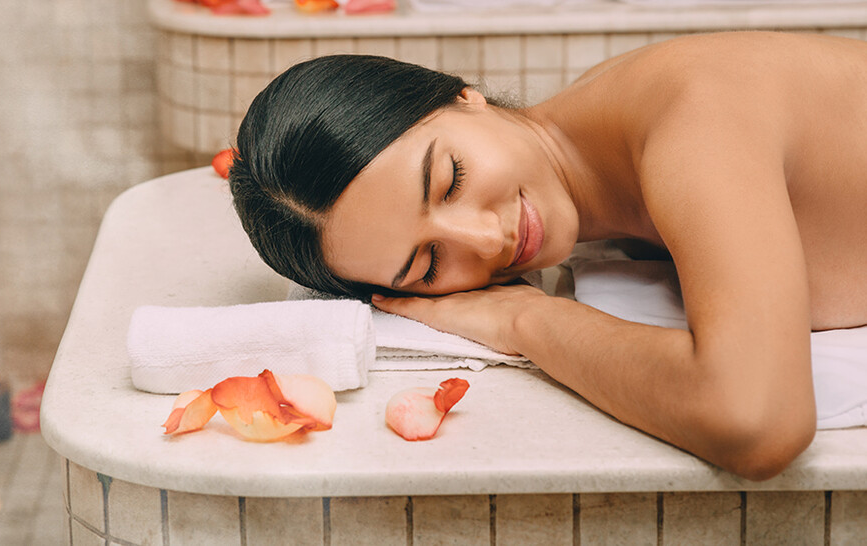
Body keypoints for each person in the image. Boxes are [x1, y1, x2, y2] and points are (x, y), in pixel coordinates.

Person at [227, 31, 867, 480]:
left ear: (462, 94)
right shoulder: (609, 153)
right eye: (427, 264)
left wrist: (524, 321)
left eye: (450, 178)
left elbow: (757, 422)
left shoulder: (692, 117)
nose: (485, 241)